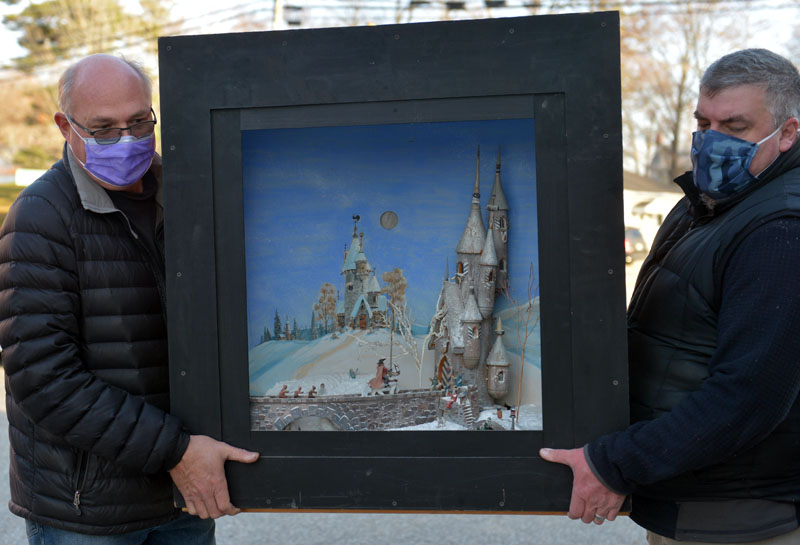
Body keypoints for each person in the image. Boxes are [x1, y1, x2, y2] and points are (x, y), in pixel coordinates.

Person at [541, 48, 800, 544]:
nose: (712, 141)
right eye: (703, 122)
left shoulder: (780, 231)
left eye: (737, 126)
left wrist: (614, 463)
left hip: (737, 516)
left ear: (786, 133)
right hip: (691, 501)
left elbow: (747, 399)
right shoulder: (707, 205)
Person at [0, 54, 259, 543]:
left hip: (185, 492)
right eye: (103, 129)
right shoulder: (41, 218)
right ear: (65, 125)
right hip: (90, 511)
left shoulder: (192, 196)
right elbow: (44, 378)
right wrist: (177, 452)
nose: (126, 140)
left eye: (140, 123)